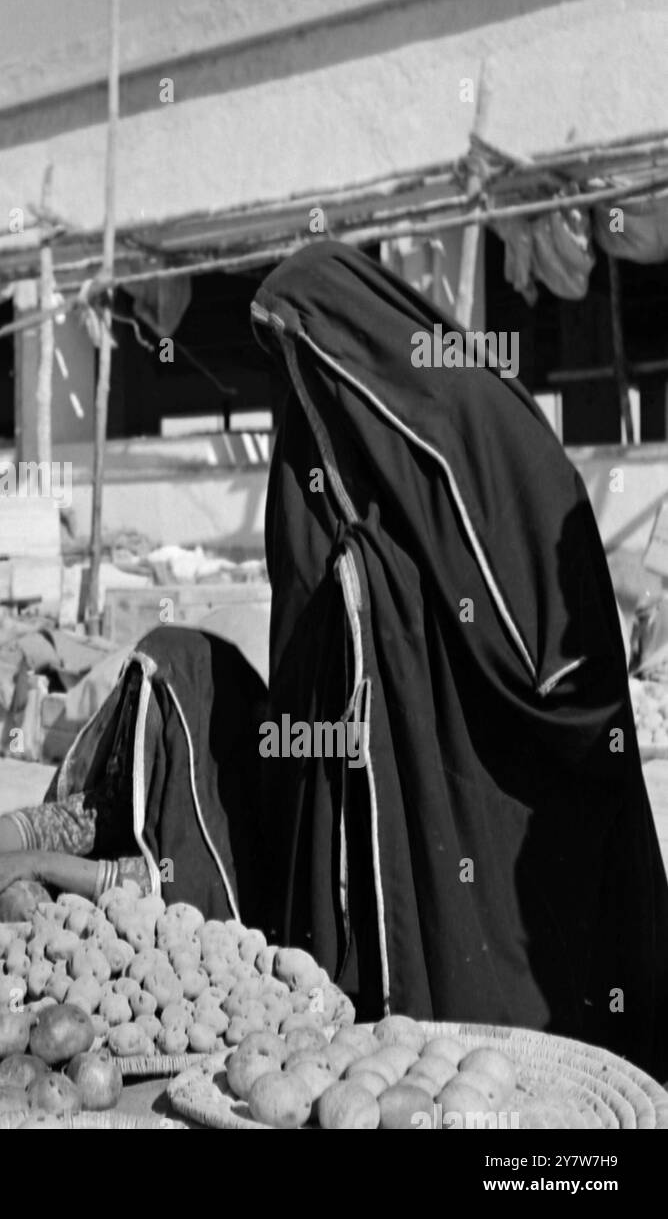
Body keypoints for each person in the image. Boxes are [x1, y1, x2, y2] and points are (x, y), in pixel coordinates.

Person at [251, 239, 668, 1076]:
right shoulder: (367, 452)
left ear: (346, 343)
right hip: (447, 760)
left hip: (531, 763)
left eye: (301, 356)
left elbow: (550, 651)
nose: (294, 391)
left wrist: (391, 592)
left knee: (545, 978)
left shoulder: (473, 420)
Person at [0, 625, 270, 924]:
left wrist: (36, 864)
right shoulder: (145, 776)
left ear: (187, 727)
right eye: (131, 698)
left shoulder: (223, 825)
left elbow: (160, 885)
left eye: (149, 706)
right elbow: (73, 821)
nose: (131, 716)